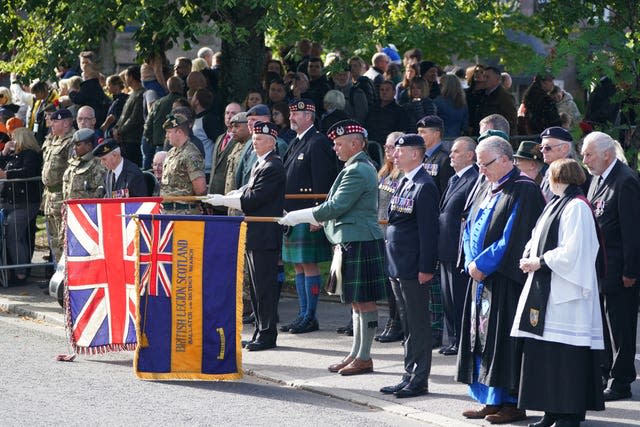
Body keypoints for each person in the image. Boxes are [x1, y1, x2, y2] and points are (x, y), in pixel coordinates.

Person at [279, 119, 386, 375]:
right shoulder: (354, 167)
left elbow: (336, 206)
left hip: (360, 239)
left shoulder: (358, 170)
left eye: (339, 144)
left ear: (355, 144)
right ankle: (356, 353)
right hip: (351, 239)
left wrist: (299, 216)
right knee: (356, 301)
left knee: (364, 301)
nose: (335, 149)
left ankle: (364, 356)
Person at [456, 136, 545, 424]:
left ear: (506, 159)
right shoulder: (487, 184)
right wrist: (471, 261)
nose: (481, 170)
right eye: (478, 164)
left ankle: (510, 402)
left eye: (486, 163)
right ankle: (487, 399)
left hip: (504, 280)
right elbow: (469, 225)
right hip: (480, 278)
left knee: (502, 341)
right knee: (480, 340)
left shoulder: (524, 190)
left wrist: (483, 264)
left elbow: (513, 237)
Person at [512, 158, 605, 427]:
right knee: (545, 354)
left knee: (565, 358)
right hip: (547, 293)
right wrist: (529, 254)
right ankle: (551, 410)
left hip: (568, 296)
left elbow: (574, 250)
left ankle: (570, 414)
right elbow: (535, 236)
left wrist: (540, 261)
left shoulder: (577, 207)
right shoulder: (555, 203)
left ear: (559, 178)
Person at [205, 122, 286, 351]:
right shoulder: (261, 164)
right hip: (255, 233)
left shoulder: (272, 166)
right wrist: (233, 194)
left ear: (271, 142)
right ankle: (260, 330)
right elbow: (248, 190)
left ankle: (268, 334)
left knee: (264, 287)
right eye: (254, 138)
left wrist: (223, 200)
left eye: (259, 139)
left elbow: (253, 199)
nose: (254, 142)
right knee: (257, 287)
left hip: (265, 235)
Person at [379, 133, 439, 397]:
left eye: (400, 152)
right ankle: (408, 374)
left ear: (415, 154)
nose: (395, 155)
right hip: (398, 263)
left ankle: (419, 378)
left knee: (418, 323)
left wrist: (426, 267)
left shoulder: (425, 186)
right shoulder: (403, 181)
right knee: (406, 323)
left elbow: (428, 232)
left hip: (414, 266)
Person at [582, 131, 640, 402]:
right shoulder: (596, 179)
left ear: (607, 154)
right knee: (604, 326)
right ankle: (606, 373)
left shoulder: (625, 180)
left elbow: (632, 231)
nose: (584, 160)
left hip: (619, 269)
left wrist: (631, 271)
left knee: (621, 327)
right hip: (601, 268)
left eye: (589, 154)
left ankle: (622, 381)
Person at [280, 99, 337, 334]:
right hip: (293, 213)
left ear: (309, 116)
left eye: (297, 114)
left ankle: (310, 316)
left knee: (309, 265)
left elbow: (323, 180)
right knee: (299, 266)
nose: (291, 117)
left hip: (308, 213)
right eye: (291, 113)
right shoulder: (296, 142)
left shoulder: (318, 142)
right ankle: (303, 313)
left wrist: (318, 214)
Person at [438, 137, 478, 356]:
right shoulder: (455, 179)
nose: (451, 155)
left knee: (459, 297)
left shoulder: (473, 179)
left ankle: (461, 340)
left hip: (458, 248)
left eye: (456, 152)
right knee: (448, 297)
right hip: (446, 247)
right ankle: (453, 338)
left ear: (470, 155)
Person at [0, 128, 42, 283]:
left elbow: (28, 171)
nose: (12, 141)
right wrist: (4, 153)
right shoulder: (13, 155)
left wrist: (7, 175)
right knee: (14, 235)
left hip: (25, 203)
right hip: (9, 201)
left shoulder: (31, 155)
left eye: (14, 138)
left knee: (13, 234)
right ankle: (14, 270)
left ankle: (20, 272)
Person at [374, 131, 404, 343]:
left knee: (397, 286)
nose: (388, 150)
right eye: (386, 147)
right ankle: (392, 321)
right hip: (381, 232)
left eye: (392, 147)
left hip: (394, 235)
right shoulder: (384, 172)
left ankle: (398, 323)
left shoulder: (403, 174)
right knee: (388, 285)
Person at [42, 108, 75, 264]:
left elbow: (72, 170)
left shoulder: (71, 142)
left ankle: (66, 282)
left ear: (67, 123)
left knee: (64, 241)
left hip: (62, 196)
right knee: (54, 241)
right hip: (50, 197)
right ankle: (58, 278)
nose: (51, 124)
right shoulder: (53, 140)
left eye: (55, 121)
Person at [159, 114, 207, 213]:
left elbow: (200, 189)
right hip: (167, 211)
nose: (166, 136)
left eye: (169, 132)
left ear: (179, 132)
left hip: (184, 212)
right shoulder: (171, 152)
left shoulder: (191, 154)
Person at [113, 65, 145, 167]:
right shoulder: (133, 94)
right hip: (125, 139)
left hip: (132, 139)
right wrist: (116, 128)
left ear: (130, 77)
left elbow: (134, 118)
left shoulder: (140, 94)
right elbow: (124, 116)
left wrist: (120, 131)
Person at [62, 128, 107, 200]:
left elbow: (100, 193)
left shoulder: (99, 165)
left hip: (87, 209)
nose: (74, 148)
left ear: (89, 145)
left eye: (78, 145)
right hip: (70, 208)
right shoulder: (73, 162)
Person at [435, 74, 468, 138]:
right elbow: (465, 126)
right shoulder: (463, 103)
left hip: (441, 138)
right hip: (457, 138)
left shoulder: (437, 102)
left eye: (440, 85)